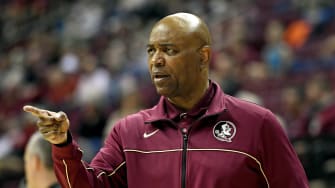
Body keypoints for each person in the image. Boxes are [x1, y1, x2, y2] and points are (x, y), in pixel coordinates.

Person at [23, 12, 309, 188]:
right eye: (151, 51)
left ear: (203, 56)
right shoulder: (128, 133)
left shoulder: (258, 124)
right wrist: (63, 145)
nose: (156, 60)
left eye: (169, 50)